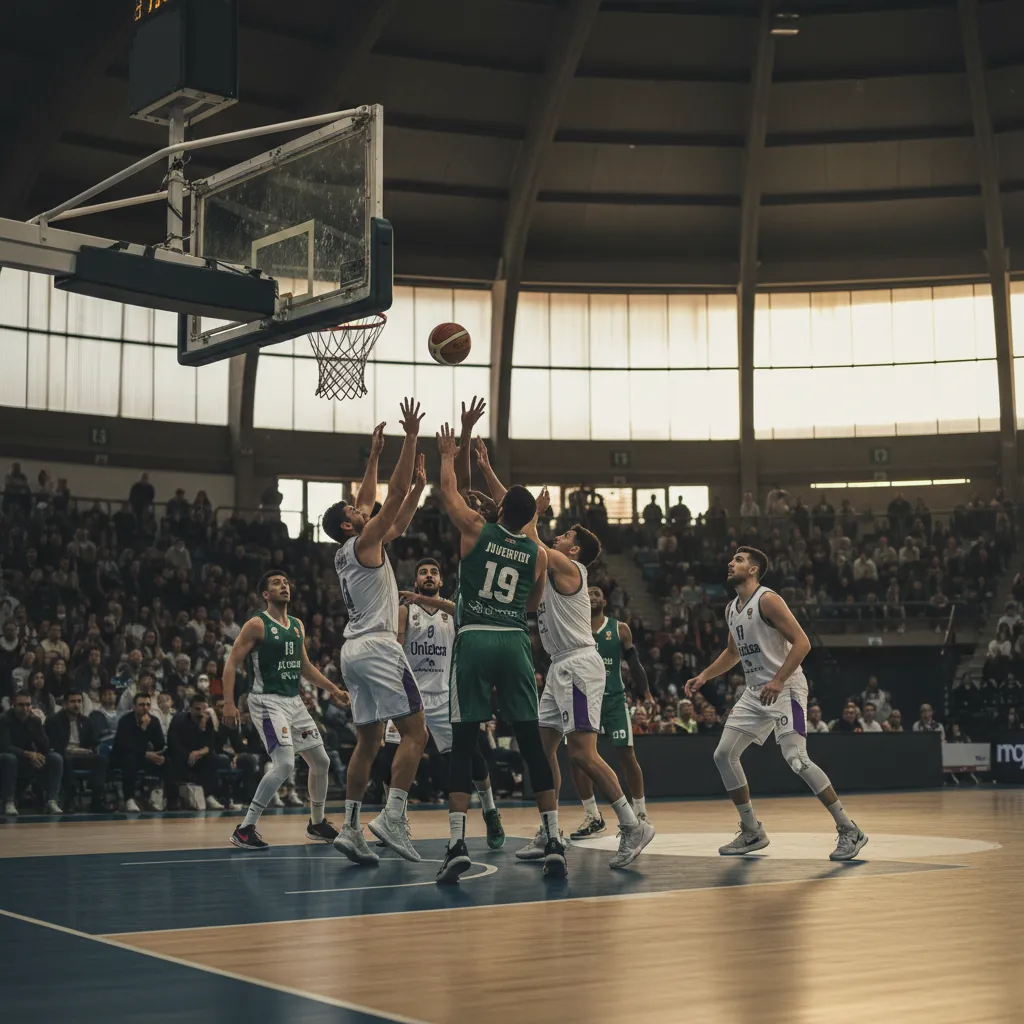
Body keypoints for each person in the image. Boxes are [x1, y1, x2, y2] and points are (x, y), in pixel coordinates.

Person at [473, 451, 654, 871]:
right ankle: (550, 830)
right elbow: (522, 519)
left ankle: (632, 824)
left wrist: (527, 506)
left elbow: (526, 526)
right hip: (559, 667)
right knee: (541, 749)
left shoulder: (570, 567)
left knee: (583, 756)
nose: (557, 536)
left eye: (565, 533)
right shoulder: (549, 562)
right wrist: (487, 472)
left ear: (574, 547)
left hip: (578, 665)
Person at [429, 424, 560, 884]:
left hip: (476, 638)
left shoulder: (476, 529)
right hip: (514, 639)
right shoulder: (538, 553)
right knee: (529, 742)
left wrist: (449, 454)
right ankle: (554, 839)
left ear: (500, 509)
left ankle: (457, 843)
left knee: (464, 743)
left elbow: (448, 492)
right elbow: (531, 604)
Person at [686, 546, 868, 861]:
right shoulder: (732, 608)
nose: (731, 563)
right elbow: (732, 654)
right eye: (731, 559)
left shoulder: (767, 600)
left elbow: (803, 643)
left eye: (739, 560)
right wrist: (704, 676)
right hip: (756, 690)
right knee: (723, 754)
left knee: (796, 759)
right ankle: (751, 830)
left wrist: (779, 680)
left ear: (754, 570)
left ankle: (849, 829)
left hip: (787, 688)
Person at [320, 400, 430, 865]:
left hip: (352, 651)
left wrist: (373, 456)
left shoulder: (350, 547)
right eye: (353, 509)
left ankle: (348, 827)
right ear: (349, 524)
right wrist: (409, 440)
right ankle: (391, 815)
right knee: (416, 733)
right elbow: (394, 492)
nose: (360, 505)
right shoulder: (365, 540)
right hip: (381, 645)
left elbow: (387, 508)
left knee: (368, 741)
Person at [222, 571, 351, 850]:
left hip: (294, 701)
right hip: (267, 701)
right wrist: (229, 703)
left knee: (321, 761)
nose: (284, 585)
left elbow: (304, 667)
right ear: (265, 595)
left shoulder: (297, 625)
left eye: (285, 582)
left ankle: (316, 823)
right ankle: (245, 828)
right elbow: (231, 664)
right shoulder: (257, 624)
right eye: (276, 583)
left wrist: (333, 689)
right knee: (285, 764)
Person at [398, 558, 505, 848]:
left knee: (471, 756)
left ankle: (490, 810)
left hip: (447, 694)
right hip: (413, 695)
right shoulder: (405, 611)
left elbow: (466, 626)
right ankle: (396, 820)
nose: (429, 576)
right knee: (392, 759)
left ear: (441, 582)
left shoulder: (453, 612)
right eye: (423, 573)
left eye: (434, 572)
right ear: (416, 580)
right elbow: (395, 651)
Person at [569, 585, 652, 841]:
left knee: (627, 755)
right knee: (579, 758)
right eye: (589, 594)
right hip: (582, 698)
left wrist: (646, 693)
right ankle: (593, 817)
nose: (592, 597)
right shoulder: (574, 627)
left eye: (597, 594)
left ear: (604, 600)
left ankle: (640, 813)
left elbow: (634, 664)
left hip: (613, 699)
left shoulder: (619, 628)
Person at [0, 691, 63, 815]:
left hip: (27, 757)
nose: (25, 708)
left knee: (55, 758)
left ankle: (51, 801)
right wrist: (28, 754)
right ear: (13, 705)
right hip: (7, 757)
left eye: (28, 705)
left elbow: (45, 746)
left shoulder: (34, 720)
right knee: (9, 758)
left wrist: (37, 755)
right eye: (21, 705)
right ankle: (9, 802)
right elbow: (5, 746)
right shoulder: (4, 719)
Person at [45, 690, 107, 812]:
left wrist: (91, 750)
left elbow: (94, 742)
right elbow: (52, 744)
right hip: (64, 755)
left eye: (79, 701)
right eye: (73, 701)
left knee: (101, 760)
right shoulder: (53, 720)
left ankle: (97, 799)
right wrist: (72, 751)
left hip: (83, 755)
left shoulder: (86, 721)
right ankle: (70, 797)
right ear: (64, 704)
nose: (77, 704)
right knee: (63, 758)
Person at [167, 693, 225, 810]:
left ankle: (208, 795)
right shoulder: (178, 720)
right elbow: (173, 743)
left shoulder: (208, 722)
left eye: (204, 709)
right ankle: (173, 799)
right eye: (197, 709)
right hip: (181, 755)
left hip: (198, 756)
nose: (200, 713)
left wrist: (203, 728)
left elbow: (212, 746)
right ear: (190, 709)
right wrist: (188, 755)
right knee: (171, 761)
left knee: (212, 759)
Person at [112, 691, 167, 812]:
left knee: (166, 760)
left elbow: (160, 744)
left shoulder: (154, 721)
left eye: (148, 704)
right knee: (130, 760)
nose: (145, 708)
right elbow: (125, 746)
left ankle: (160, 796)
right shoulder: (125, 721)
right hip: (123, 756)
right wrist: (142, 729)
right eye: (141, 705)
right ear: (134, 707)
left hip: (144, 756)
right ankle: (129, 799)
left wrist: (160, 754)